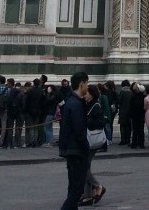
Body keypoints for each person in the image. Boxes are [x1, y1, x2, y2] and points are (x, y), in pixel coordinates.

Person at [58, 71, 90, 210]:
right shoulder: (75, 104)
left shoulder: (70, 101)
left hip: (71, 149)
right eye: (87, 84)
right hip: (77, 150)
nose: (88, 87)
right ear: (81, 83)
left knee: (73, 190)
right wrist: (85, 146)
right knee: (77, 191)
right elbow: (79, 130)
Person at [81, 85, 106, 206]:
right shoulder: (87, 104)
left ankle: (98, 186)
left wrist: (88, 122)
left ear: (91, 94)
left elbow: (101, 122)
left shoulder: (96, 105)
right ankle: (87, 196)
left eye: (86, 93)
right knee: (86, 167)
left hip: (92, 140)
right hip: (88, 140)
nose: (84, 95)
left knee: (83, 167)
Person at [117, 80, 132, 145]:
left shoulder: (122, 92)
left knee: (122, 126)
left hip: (122, 111)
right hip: (129, 111)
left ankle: (123, 140)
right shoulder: (131, 92)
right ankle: (128, 139)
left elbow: (119, 101)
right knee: (128, 126)